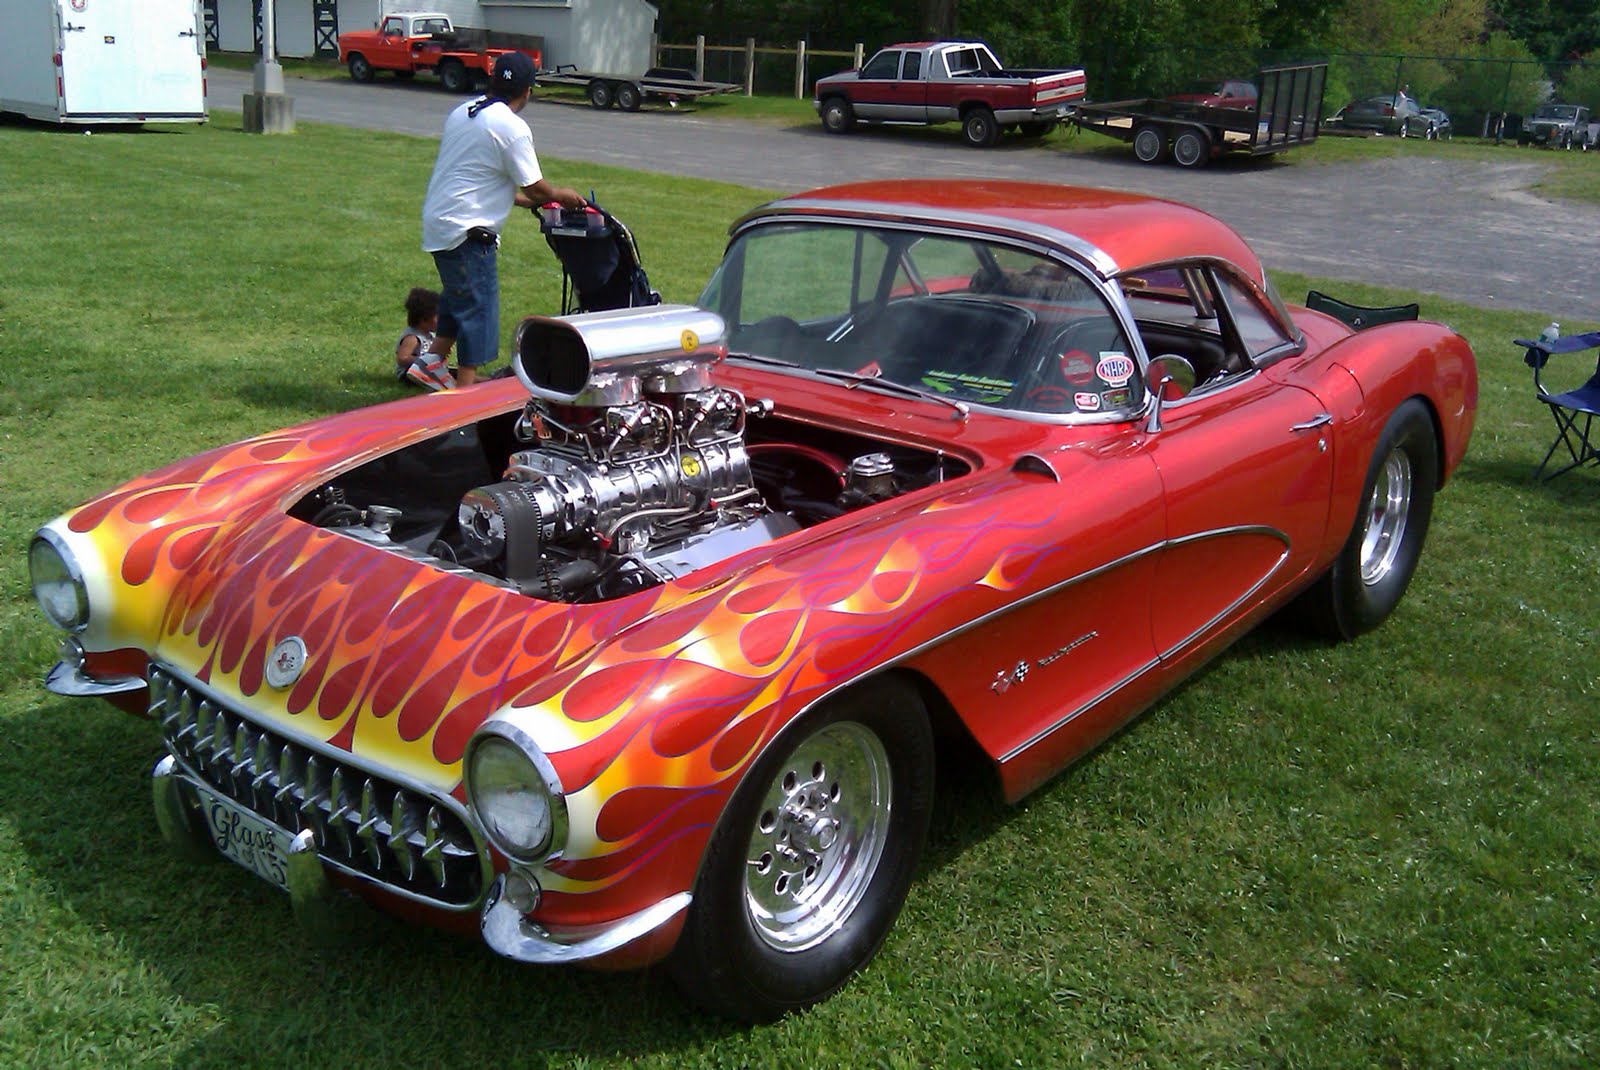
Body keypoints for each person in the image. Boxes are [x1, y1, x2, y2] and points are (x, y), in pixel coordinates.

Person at [419, 50, 586, 387]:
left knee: (458, 294)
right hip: (467, 231)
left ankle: (431, 362)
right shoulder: (512, 127)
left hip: (440, 220)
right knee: (478, 309)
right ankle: (466, 393)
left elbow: (477, 175)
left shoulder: (464, 112)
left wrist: (523, 202)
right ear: (527, 90)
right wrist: (562, 195)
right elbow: (536, 187)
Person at [395, 286, 454, 390]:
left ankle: (480, 380)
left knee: (453, 372)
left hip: (428, 369)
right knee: (447, 375)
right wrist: (423, 361)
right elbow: (402, 358)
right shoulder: (413, 338)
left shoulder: (428, 334)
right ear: (424, 320)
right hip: (410, 373)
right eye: (438, 317)